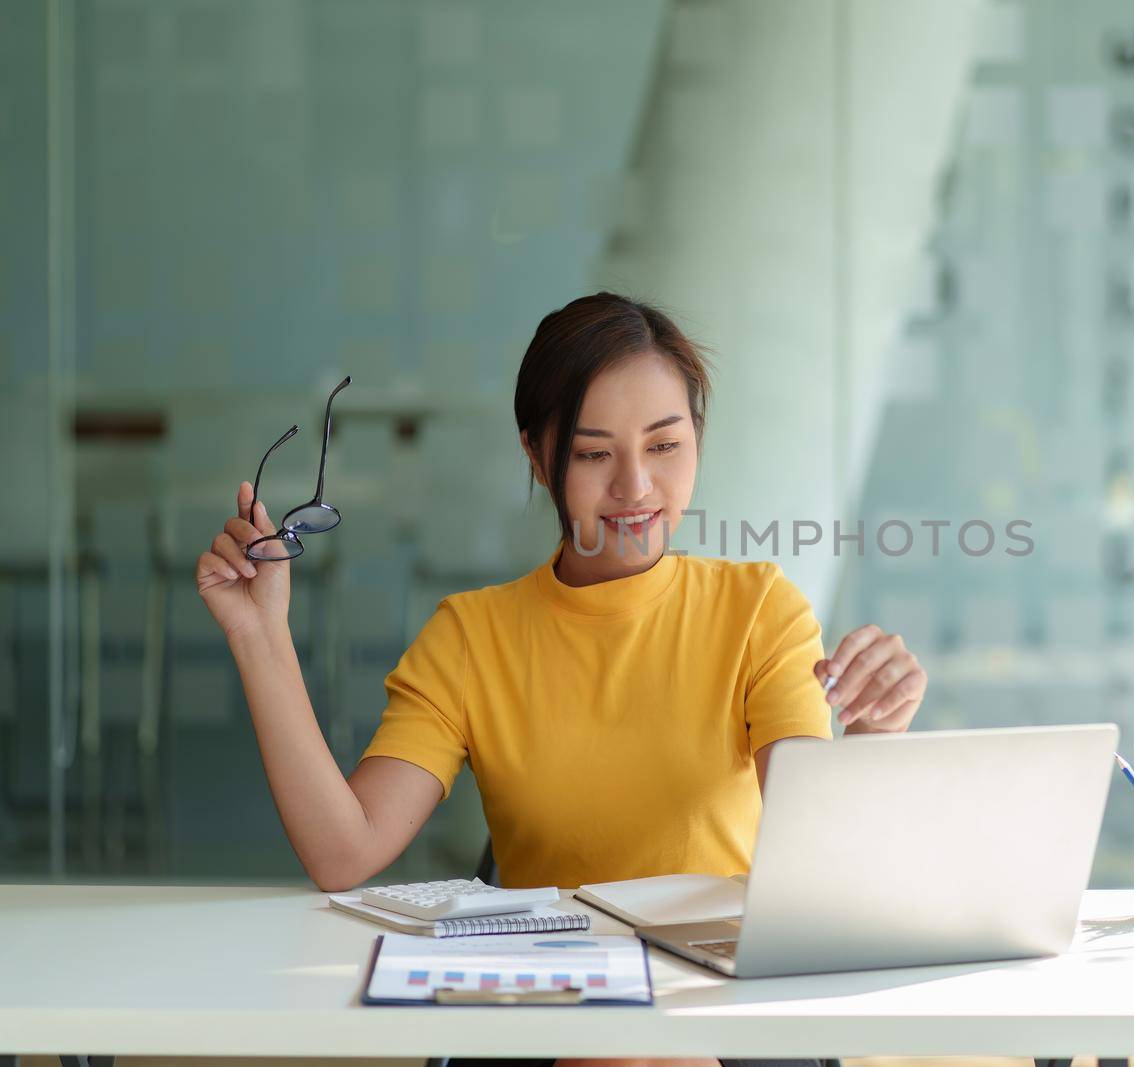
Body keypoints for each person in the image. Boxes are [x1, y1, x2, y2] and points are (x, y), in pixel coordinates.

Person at [194, 291, 929, 1067]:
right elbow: (344, 851)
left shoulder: (758, 611)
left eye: (665, 445)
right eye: (593, 453)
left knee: (644, 1053)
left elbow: (821, 859)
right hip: (542, 1008)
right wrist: (260, 635)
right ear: (538, 456)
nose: (636, 486)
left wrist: (876, 738)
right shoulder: (473, 637)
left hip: (729, 1005)